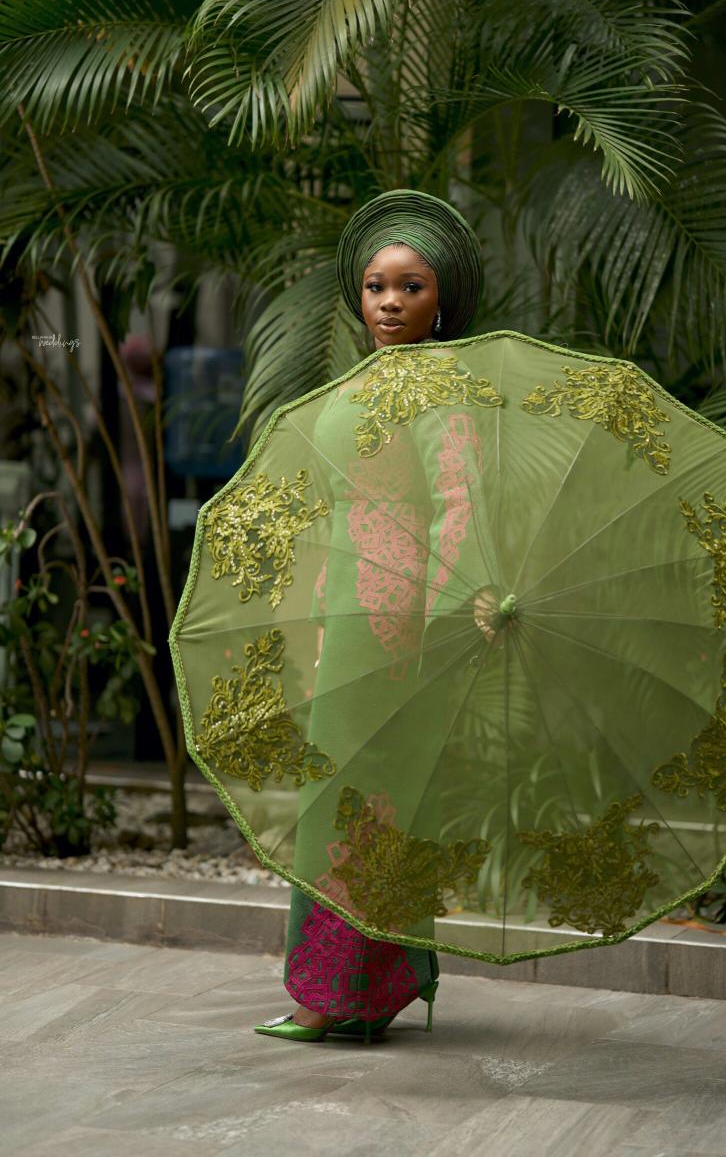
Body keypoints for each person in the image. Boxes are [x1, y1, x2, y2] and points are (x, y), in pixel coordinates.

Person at [254, 189, 502, 1046]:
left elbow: (461, 499)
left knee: (359, 799)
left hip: (397, 620)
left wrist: (447, 611)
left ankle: (332, 995)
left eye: (410, 286)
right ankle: (368, 988)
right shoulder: (359, 381)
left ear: (442, 303)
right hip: (345, 609)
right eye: (375, 286)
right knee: (354, 797)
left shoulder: (440, 389)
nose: (389, 302)